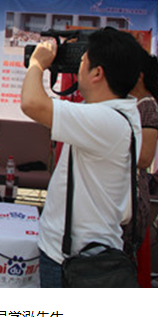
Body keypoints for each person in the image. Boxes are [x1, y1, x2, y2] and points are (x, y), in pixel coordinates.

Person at [21, 27, 143, 288]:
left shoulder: (106, 121)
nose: (77, 67)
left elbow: (32, 103)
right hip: (84, 250)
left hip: (75, 259)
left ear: (97, 73)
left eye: (82, 61)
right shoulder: (118, 113)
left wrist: (37, 64)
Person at [125, 51, 158, 287]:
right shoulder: (134, 103)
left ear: (139, 76)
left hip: (133, 190)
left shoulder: (147, 106)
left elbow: (144, 158)